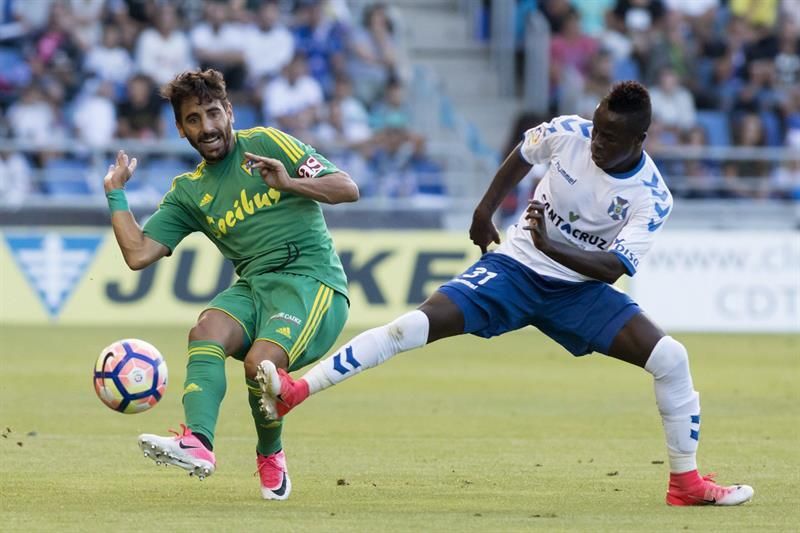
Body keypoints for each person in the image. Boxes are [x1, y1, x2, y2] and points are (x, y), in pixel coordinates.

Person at [257, 81, 755, 507]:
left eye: (610, 137)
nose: (597, 142)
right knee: (411, 325)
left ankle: (685, 483)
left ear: (640, 140)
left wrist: (549, 244)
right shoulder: (569, 133)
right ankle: (296, 392)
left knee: (671, 358)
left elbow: (611, 270)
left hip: (579, 291)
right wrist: (485, 209)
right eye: (597, 128)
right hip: (514, 269)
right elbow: (523, 153)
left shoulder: (652, 195)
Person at [102, 68, 359, 500]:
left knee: (259, 363)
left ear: (230, 112)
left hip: (313, 285)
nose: (207, 128)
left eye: (213, 114)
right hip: (255, 288)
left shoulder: (268, 144)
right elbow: (138, 254)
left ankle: (270, 453)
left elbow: (347, 188)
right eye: (194, 120)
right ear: (180, 129)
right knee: (205, 331)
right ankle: (197, 442)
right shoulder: (189, 191)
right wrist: (115, 192)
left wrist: (290, 182)